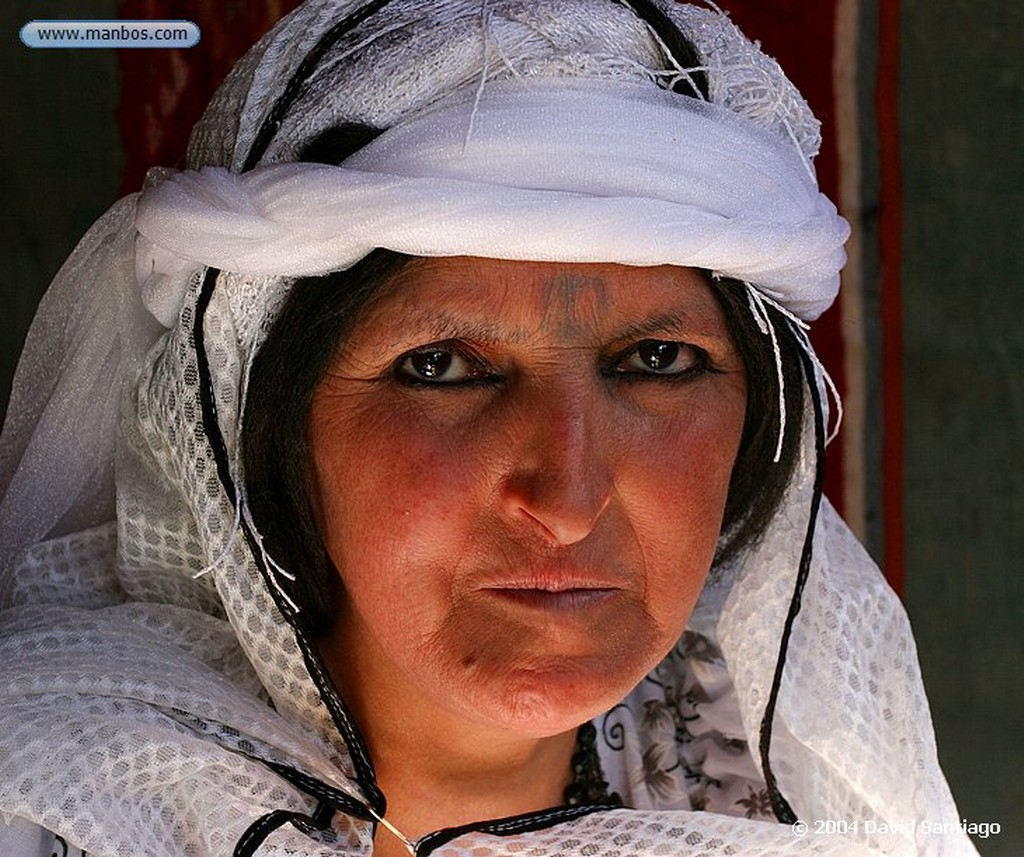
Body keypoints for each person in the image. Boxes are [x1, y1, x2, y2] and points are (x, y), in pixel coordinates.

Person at [0, 1, 976, 855]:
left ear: (756, 430)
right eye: (444, 367)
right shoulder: (53, 808)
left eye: (656, 360)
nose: (567, 496)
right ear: (270, 426)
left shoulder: (816, 821)